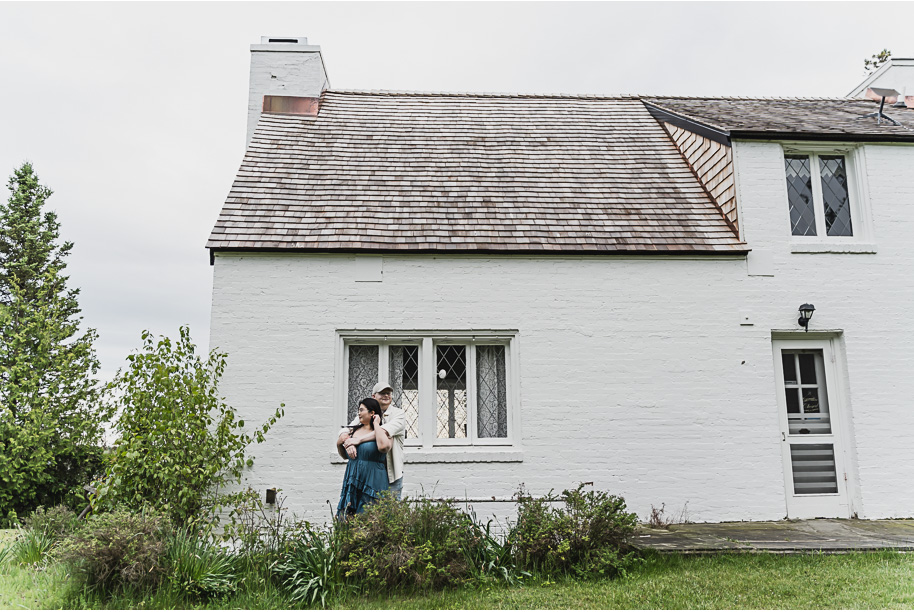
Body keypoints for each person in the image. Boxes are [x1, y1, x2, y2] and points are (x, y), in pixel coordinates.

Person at [337, 382, 406, 499]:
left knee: (391, 511)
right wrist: (349, 443)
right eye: (382, 393)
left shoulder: (398, 414)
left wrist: (357, 440)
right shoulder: (366, 414)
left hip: (391, 474)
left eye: (388, 393)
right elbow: (345, 430)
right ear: (374, 396)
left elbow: (383, 431)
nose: (386, 396)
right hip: (370, 474)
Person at [336, 398, 391, 518]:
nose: (358, 413)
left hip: (373, 478)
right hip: (353, 476)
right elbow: (344, 456)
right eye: (358, 410)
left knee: (370, 515)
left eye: (361, 410)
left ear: (372, 413)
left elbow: (383, 447)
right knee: (350, 516)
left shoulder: (383, 431)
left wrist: (376, 423)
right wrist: (340, 444)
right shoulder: (353, 431)